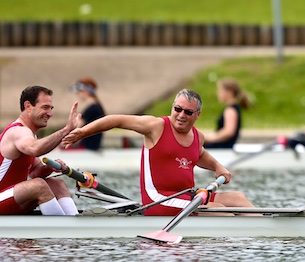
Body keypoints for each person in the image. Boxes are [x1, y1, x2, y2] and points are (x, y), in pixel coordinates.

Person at [62, 89, 254, 216]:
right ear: (173, 107)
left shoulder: (198, 137)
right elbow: (116, 120)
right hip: (159, 200)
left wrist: (218, 167)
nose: (181, 115)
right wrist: (83, 132)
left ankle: (265, 234)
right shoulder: (155, 126)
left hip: (187, 196)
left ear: (197, 115)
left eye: (188, 112)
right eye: (177, 109)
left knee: (237, 198)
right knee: (219, 210)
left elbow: (200, 154)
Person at [0, 85, 82, 216]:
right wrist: (65, 130)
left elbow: (35, 172)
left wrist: (50, 168)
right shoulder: (17, 132)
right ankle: (64, 229)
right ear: (28, 106)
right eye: (45, 107)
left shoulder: (29, 135)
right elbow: (35, 149)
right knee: (38, 186)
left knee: (57, 184)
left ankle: (73, 222)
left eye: (51, 108)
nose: (50, 113)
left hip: (8, 198)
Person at [203, 78, 250, 149]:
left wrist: (209, 138)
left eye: (220, 90)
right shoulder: (233, 108)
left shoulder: (230, 110)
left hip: (223, 148)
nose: (217, 93)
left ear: (229, 92)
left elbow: (229, 132)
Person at [70, 76, 105, 151]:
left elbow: (74, 131)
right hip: (92, 149)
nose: (77, 94)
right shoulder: (98, 107)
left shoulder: (92, 109)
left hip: (86, 150)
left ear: (86, 91)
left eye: (79, 91)